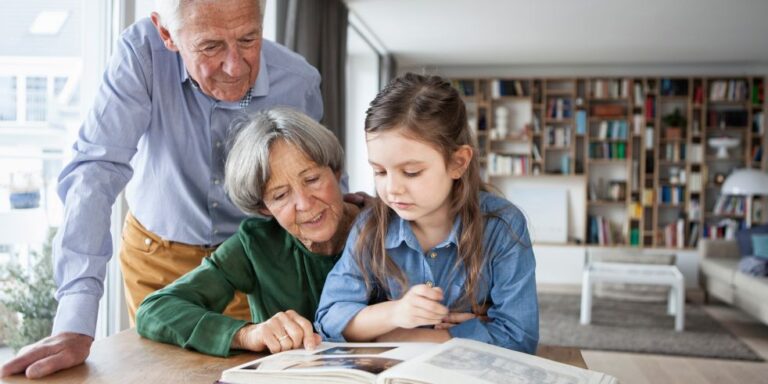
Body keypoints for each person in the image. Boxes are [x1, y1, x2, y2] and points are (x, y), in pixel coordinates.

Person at [1, 0, 323, 378]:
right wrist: (75, 321)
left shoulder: (297, 81)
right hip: (158, 255)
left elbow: (319, 185)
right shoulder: (142, 55)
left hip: (254, 258)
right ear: (167, 34)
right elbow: (96, 169)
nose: (236, 67)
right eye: (211, 46)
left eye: (248, 39)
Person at [314, 73, 539, 353]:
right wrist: (395, 314)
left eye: (411, 172)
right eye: (379, 171)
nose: (392, 189)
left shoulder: (502, 225)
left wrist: (392, 336)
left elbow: (519, 338)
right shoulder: (370, 227)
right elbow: (329, 318)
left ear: (458, 163)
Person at [136, 107, 359, 357]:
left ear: (335, 171)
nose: (305, 204)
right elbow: (154, 309)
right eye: (281, 195)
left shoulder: (387, 227)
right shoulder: (256, 244)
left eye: (312, 180)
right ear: (264, 208)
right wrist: (247, 334)